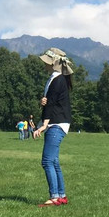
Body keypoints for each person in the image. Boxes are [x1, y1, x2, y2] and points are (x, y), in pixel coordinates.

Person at [33, 48, 73, 207]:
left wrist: (43, 125)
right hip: (58, 122)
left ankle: (54, 197)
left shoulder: (57, 80)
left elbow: (51, 105)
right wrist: (44, 101)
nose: (45, 65)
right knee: (54, 162)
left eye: (47, 63)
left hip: (56, 123)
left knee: (47, 161)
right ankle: (61, 196)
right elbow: (50, 102)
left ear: (54, 63)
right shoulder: (56, 79)